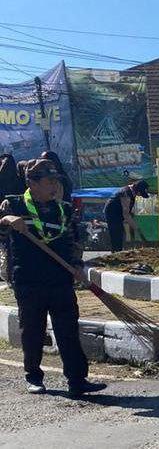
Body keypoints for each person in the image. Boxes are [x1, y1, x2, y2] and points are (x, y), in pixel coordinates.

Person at [0, 159, 106, 396]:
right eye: (49, 182)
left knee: (68, 329)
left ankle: (77, 380)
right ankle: (33, 377)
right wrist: (7, 220)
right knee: (33, 330)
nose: (55, 186)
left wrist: (77, 265)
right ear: (32, 183)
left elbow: (74, 242)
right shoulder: (13, 204)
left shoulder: (64, 210)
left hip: (60, 279)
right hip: (28, 280)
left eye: (56, 181)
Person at [103, 179, 150, 252]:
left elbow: (128, 211)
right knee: (116, 233)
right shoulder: (126, 193)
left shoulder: (132, 192)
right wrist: (136, 229)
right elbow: (126, 214)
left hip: (119, 214)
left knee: (120, 232)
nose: (140, 195)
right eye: (141, 193)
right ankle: (116, 252)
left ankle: (118, 250)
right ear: (138, 190)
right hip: (112, 213)